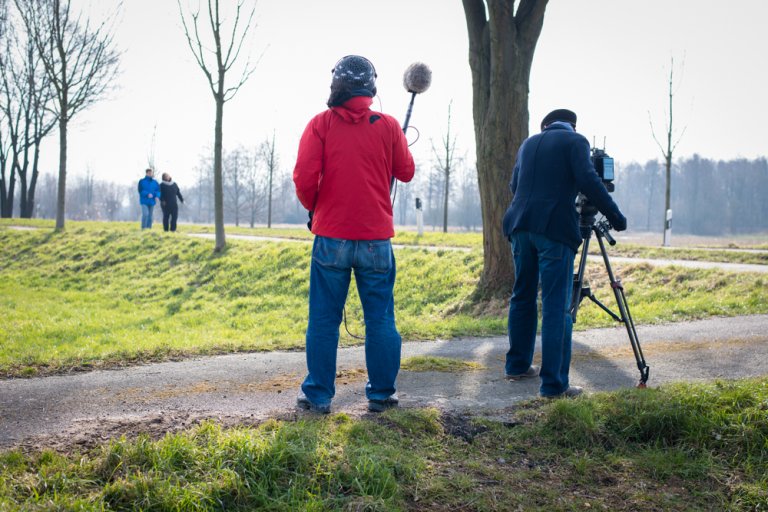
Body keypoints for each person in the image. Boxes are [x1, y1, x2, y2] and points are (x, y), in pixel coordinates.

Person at [292, 55, 415, 414]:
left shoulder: (321, 124)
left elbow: (303, 178)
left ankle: (318, 395)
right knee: (380, 319)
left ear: (336, 85)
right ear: (371, 86)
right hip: (376, 238)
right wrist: (396, 144)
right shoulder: (389, 126)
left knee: (324, 319)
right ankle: (381, 394)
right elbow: (405, 172)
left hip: (330, 237)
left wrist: (316, 210)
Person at [502, 109, 627, 399]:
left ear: (545, 126)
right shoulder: (576, 142)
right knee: (556, 304)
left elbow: (514, 186)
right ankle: (555, 384)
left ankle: (517, 365)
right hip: (554, 230)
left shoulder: (528, 143)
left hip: (519, 226)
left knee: (522, 295)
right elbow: (588, 180)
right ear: (571, 126)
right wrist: (616, 217)